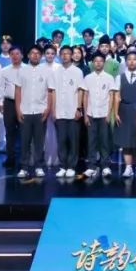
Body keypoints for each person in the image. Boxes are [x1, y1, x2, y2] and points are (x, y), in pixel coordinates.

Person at [15, 45, 52, 179]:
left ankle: (38, 166)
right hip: (25, 110)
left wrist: (48, 109)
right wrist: (18, 110)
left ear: (41, 56)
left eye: (38, 53)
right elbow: (18, 91)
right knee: (24, 141)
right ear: (28, 55)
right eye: (32, 53)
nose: (35, 55)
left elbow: (50, 91)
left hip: (40, 111)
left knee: (39, 141)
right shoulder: (22, 70)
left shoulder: (47, 71)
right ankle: (24, 167)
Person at [82, 53, 118, 179]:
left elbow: (111, 96)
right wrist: (85, 115)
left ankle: (105, 166)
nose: (98, 63)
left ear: (104, 63)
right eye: (96, 61)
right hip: (91, 113)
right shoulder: (88, 78)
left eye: (101, 61)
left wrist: (109, 114)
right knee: (91, 141)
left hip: (104, 114)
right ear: (92, 63)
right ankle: (91, 166)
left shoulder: (109, 77)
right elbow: (85, 96)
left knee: (104, 141)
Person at [52, 46, 85, 178]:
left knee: (73, 140)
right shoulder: (55, 71)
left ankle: (71, 166)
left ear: (71, 56)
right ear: (59, 55)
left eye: (68, 54)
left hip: (73, 110)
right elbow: (53, 91)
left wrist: (79, 108)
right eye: (63, 54)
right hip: (59, 110)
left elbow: (81, 91)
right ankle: (62, 166)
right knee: (61, 140)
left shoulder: (78, 72)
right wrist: (53, 110)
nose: (65, 56)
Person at [0, 46, 24, 171]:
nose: (15, 56)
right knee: (9, 131)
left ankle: (24, 158)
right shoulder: (4, 71)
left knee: (24, 131)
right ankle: (10, 158)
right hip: (9, 103)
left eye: (17, 53)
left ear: (22, 55)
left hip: (24, 103)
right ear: (9, 56)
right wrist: (0, 102)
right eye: (12, 54)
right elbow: (0, 87)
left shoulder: (27, 69)